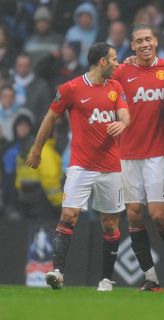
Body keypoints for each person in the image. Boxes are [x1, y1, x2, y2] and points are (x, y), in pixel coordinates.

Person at [26, 42, 130, 291]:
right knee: (68, 215)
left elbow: (125, 113)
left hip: (111, 167)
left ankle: (106, 279)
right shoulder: (71, 88)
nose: (118, 63)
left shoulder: (116, 87)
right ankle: (57, 272)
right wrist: (37, 149)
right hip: (81, 167)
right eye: (114, 59)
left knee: (110, 224)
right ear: (102, 62)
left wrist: (123, 124)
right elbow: (50, 117)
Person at [112, 24, 164, 292]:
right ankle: (151, 278)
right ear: (132, 46)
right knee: (134, 215)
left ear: (156, 41)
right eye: (139, 41)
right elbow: (100, 77)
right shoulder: (122, 71)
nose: (144, 44)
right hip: (128, 154)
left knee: (158, 214)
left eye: (148, 39)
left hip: (159, 153)